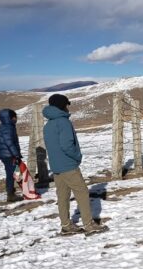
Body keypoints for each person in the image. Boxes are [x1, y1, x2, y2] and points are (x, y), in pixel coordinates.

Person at [43, 94, 108, 234]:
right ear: (62, 105)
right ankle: (89, 225)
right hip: (68, 165)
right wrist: (77, 157)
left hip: (56, 166)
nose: (67, 107)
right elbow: (67, 145)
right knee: (82, 193)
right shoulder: (63, 122)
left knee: (62, 196)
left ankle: (66, 225)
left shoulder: (48, 124)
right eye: (66, 104)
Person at [0, 108, 22, 203]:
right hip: (9, 155)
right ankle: (11, 194)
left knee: (13, 173)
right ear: (11, 118)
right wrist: (16, 155)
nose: (16, 119)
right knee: (13, 173)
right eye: (15, 117)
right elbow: (9, 142)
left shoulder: (4, 126)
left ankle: (12, 192)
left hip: (7, 154)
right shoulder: (8, 127)